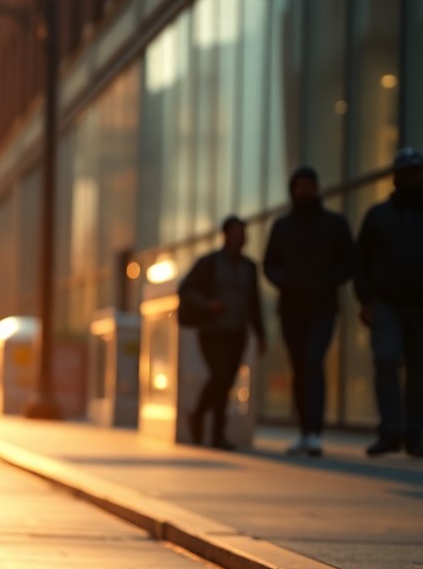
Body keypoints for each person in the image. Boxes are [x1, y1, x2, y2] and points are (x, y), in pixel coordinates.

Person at [262, 166, 354, 456]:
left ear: (316, 188)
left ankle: (314, 431)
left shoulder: (334, 224)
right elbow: (269, 264)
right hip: (291, 309)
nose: (304, 191)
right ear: (293, 189)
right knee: (300, 368)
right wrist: (286, 282)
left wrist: (326, 282)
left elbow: (349, 262)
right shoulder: (282, 226)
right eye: (299, 186)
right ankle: (305, 430)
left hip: (322, 307)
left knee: (313, 361)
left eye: (308, 185)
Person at [355, 147, 423, 458]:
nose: (413, 179)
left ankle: (416, 434)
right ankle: (391, 431)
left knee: (418, 370)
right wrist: (366, 299)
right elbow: (361, 261)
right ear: (396, 177)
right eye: (407, 173)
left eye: (417, 173)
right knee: (386, 360)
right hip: (386, 304)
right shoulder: (378, 216)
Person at [181, 216, 267, 450]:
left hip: (237, 332)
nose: (240, 237)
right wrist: (208, 304)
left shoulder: (249, 267)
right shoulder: (209, 263)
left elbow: (255, 303)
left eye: (243, 233)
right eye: (236, 232)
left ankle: (215, 431)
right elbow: (186, 289)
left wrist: (260, 334)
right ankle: (201, 418)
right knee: (219, 375)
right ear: (226, 235)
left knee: (227, 381)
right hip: (211, 331)